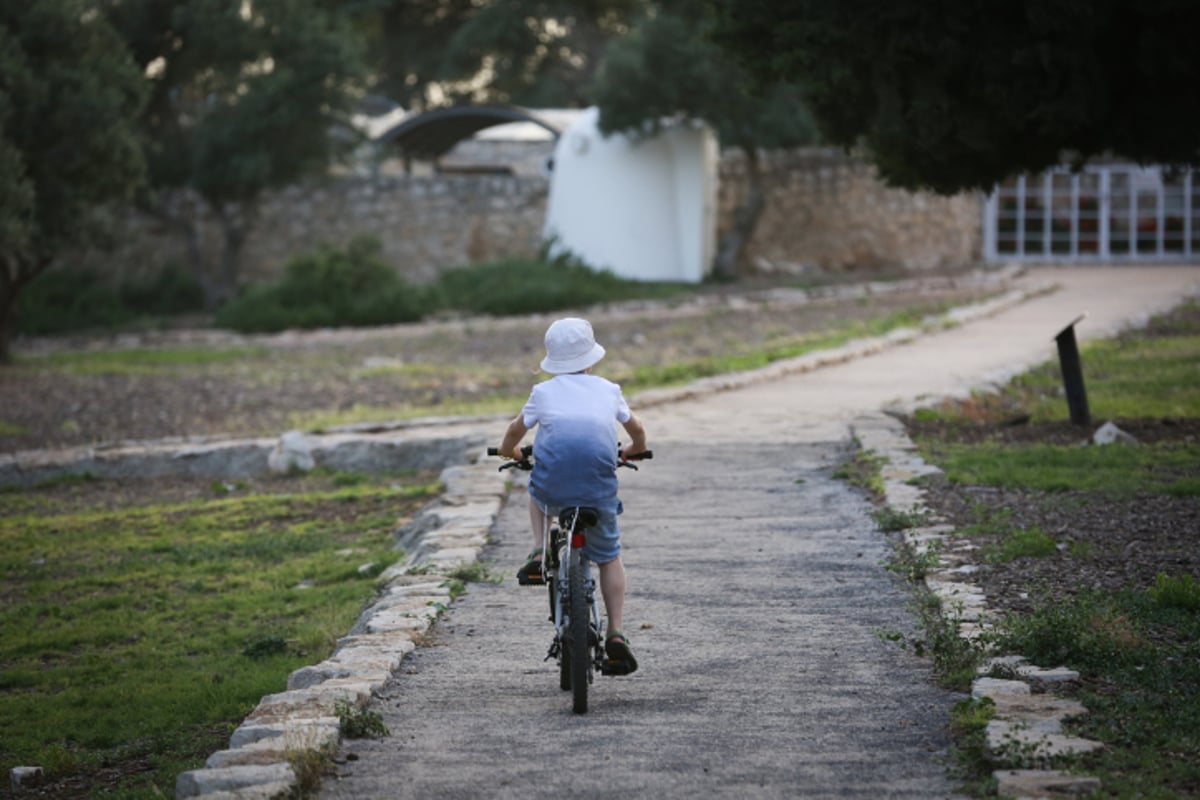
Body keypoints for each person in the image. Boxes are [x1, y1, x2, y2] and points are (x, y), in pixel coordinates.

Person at [497, 316, 648, 674]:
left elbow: (515, 431)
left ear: (552, 360)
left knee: (536, 489)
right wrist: (635, 448)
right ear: (590, 359)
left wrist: (510, 452)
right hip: (598, 487)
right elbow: (636, 428)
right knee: (609, 556)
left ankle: (539, 549)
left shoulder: (542, 393)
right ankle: (615, 634)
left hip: (554, 485)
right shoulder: (609, 389)